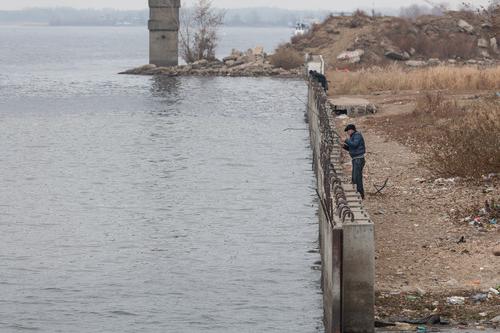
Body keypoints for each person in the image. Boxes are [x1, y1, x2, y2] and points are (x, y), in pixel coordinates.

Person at [342, 124, 366, 199]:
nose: (348, 133)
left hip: (358, 159)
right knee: (354, 178)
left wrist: (346, 140)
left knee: (357, 178)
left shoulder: (357, 135)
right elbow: (351, 148)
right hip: (355, 159)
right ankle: (357, 193)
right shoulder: (353, 136)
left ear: (352, 130)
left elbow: (355, 145)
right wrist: (343, 146)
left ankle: (360, 195)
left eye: (348, 131)